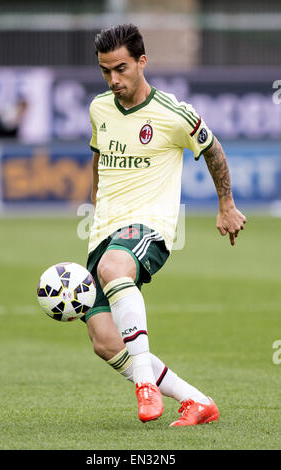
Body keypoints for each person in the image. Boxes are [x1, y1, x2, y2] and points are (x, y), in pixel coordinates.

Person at [83, 23, 246, 426]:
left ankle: (145, 386)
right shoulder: (99, 108)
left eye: (120, 68)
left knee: (112, 268)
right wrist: (94, 206)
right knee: (105, 341)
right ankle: (196, 401)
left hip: (148, 227)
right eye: (105, 71)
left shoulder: (173, 113)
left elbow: (213, 149)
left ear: (142, 61)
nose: (113, 79)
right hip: (103, 230)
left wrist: (226, 203)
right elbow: (98, 159)